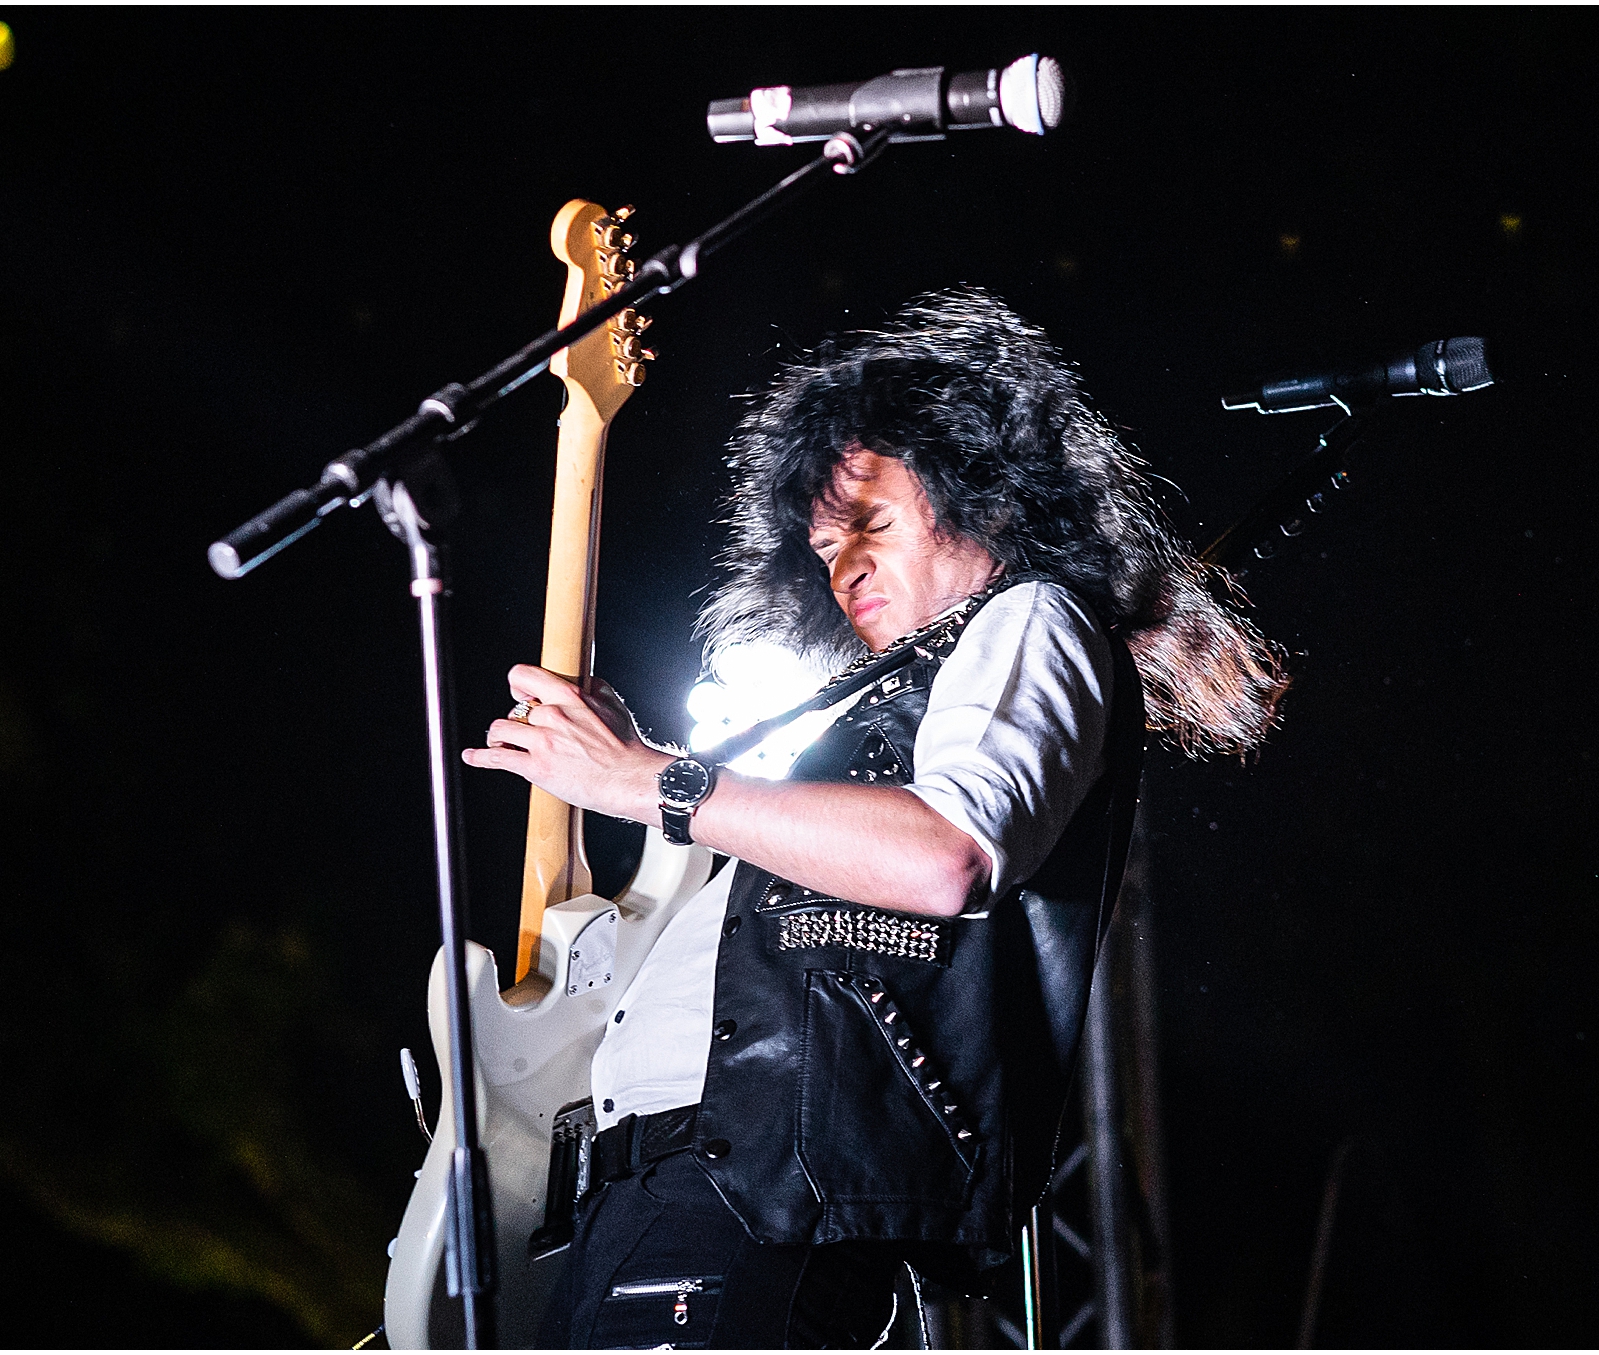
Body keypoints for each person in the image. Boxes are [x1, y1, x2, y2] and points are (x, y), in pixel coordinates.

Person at [463, 287, 1284, 1348]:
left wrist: (655, 783)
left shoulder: (1031, 616)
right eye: (821, 549)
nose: (842, 564)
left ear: (980, 495)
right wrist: (649, 780)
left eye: (873, 524)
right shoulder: (876, 705)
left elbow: (949, 853)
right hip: (664, 1197)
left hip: (754, 1196)